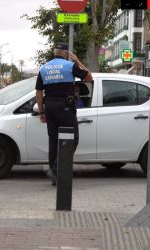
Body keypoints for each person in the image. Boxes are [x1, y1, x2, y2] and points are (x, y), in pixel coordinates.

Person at [35, 43, 93, 186]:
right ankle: (56, 168)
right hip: (65, 107)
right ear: (66, 53)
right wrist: (77, 60)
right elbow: (89, 78)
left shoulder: (44, 68)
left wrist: (41, 111)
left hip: (50, 107)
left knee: (53, 140)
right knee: (73, 139)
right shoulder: (69, 66)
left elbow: (39, 92)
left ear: (54, 52)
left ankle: (55, 172)